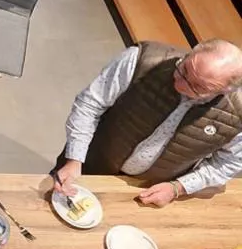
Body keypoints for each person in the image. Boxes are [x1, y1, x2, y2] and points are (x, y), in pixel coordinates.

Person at [52, 39, 242, 207]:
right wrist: (74, 159)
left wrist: (178, 188)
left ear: (226, 90)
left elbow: (228, 163)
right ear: (192, 52)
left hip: (148, 192)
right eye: (184, 70)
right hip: (89, 162)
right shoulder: (142, 60)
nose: (181, 84)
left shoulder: (237, 115)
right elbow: (90, 104)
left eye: (198, 87)